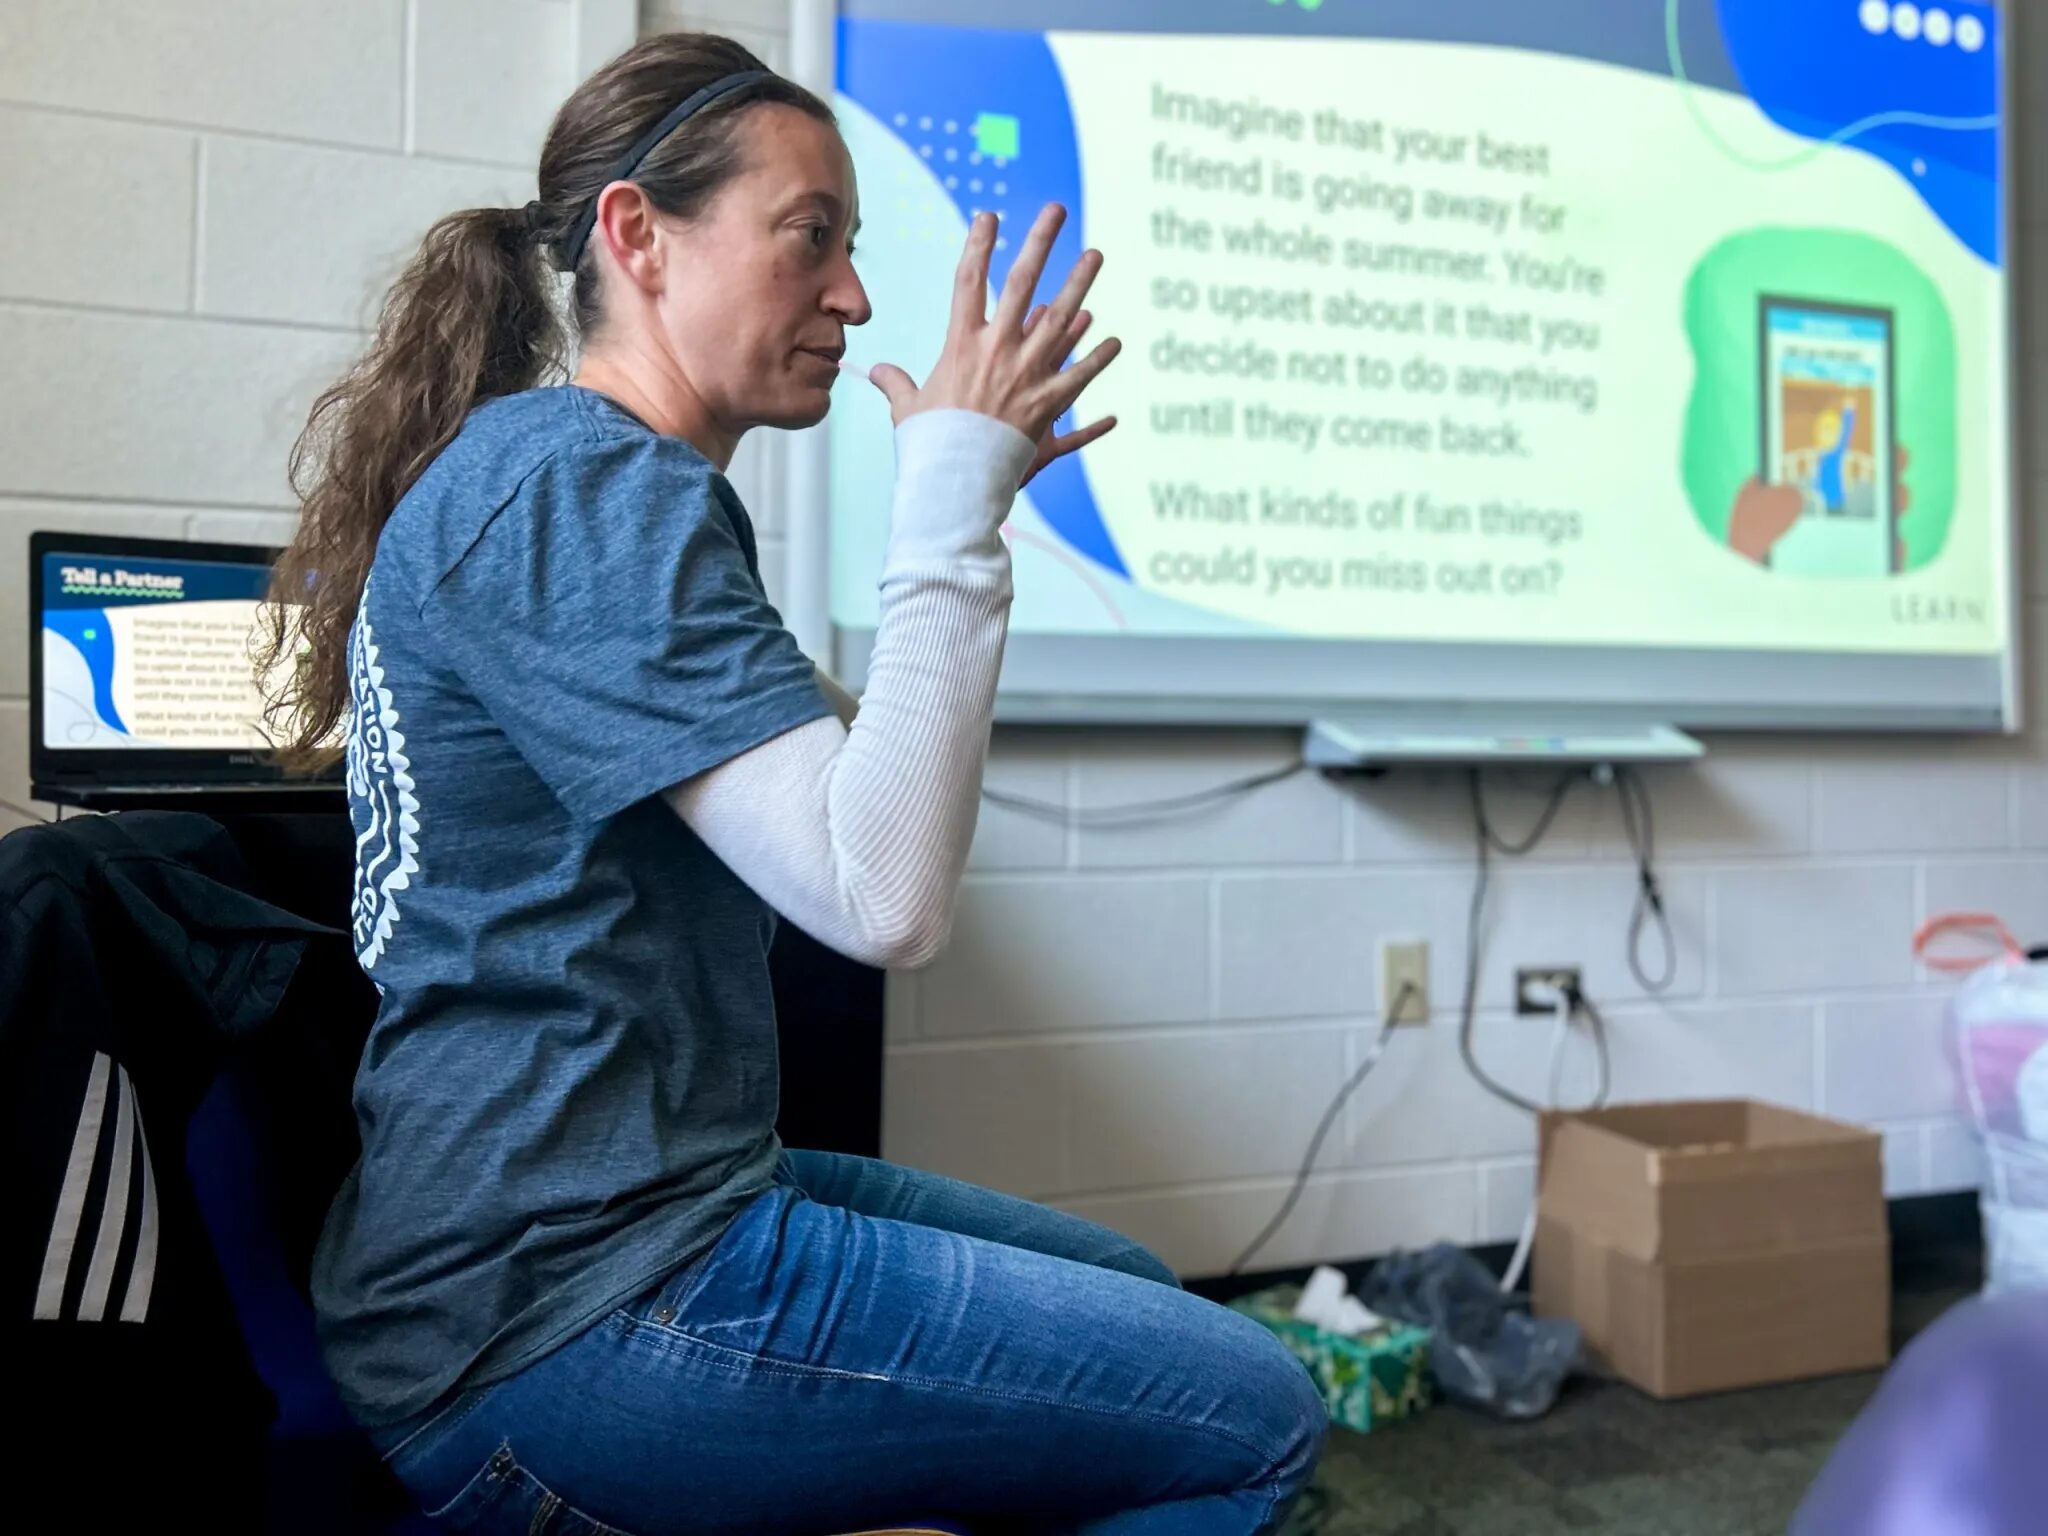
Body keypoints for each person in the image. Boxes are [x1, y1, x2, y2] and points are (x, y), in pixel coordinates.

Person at [259, 32, 1326, 1536]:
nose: (854, 295)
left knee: (1138, 1302)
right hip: (557, 1313)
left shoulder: (576, 482)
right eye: (807, 239)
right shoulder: (585, 488)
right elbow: (879, 894)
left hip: (608, 1229)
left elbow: (851, 768)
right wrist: (947, 497)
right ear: (637, 234)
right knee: (1257, 1418)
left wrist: (968, 506)